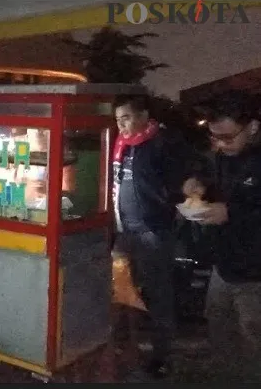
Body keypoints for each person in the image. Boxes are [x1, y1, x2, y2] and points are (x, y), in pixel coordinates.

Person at [111, 94, 200, 379]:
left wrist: (187, 193)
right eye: (117, 119)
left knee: (158, 293)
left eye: (125, 118)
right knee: (120, 288)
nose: (121, 125)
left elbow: (186, 178)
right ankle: (126, 345)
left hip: (153, 232)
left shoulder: (163, 143)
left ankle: (162, 355)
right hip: (125, 231)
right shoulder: (123, 145)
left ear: (144, 116)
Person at [184, 92, 261, 380]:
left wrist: (232, 212)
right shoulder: (221, 155)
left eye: (227, 137)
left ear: (252, 127)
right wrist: (198, 186)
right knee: (220, 334)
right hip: (224, 266)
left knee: (254, 343)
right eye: (214, 137)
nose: (219, 144)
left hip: (255, 275)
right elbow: (207, 175)